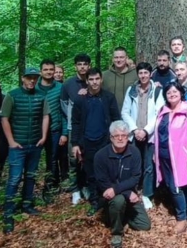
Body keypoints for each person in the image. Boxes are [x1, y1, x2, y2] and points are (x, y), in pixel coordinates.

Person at [0, 68, 50, 234]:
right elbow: (4, 118)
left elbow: (45, 116)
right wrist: (11, 141)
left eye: (35, 78)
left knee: (31, 175)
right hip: (18, 145)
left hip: (35, 143)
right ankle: (8, 214)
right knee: (14, 179)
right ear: (23, 78)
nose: (32, 81)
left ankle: (27, 204)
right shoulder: (12, 95)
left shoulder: (41, 95)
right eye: (29, 78)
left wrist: (43, 136)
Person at [71, 68, 122, 215]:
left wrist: (117, 139)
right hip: (87, 142)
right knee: (91, 174)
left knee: (108, 172)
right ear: (87, 81)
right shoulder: (80, 100)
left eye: (97, 79)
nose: (94, 82)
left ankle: (108, 199)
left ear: (101, 80)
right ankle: (95, 202)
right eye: (91, 79)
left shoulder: (108, 97)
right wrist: (75, 143)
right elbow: (75, 122)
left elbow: (116, 119)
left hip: (105, 141)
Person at [153, 82, 187, 234]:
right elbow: (158, 133)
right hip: (164, 155)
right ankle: (184, 210)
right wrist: (156, 153)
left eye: (175, 91)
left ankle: (182, 218)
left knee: (177, 185)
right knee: (172, 184)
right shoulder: (163, 110)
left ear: (181, 93)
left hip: (181, 155)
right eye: (168, 92)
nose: (172, 94)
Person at [93, 121, 152, 248]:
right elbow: (103, 184)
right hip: (109, 197)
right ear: (111, 137)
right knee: (118, 200)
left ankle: (119, 215)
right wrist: (125, 192)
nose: (120, 138)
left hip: (128, 194)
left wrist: (123, 191)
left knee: (144, 225)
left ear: (127, 137)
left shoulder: (134, 152)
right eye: (116, 135)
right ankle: (117, 233)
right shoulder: (101, 156)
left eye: (124, 135)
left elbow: (135, 178)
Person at [120, 62, 162, 209]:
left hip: (150, 135)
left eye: (146, 73)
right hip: (134, 134)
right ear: (137, 74)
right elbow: (125, 111)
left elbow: (159, 113)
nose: (143, 76)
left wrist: (145, 131)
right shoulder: (131, 90)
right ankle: (132, 190)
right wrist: (135, 130)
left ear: (150, 74)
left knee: (149, 165)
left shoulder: (157, 91)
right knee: (133, 164)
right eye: (140, 73)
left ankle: (147, 194)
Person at [62, 54, 92, 197]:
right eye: (79, 64)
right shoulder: (68, 84)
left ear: (89, 66)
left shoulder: (93, 81)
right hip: (73, 127)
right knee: (73, 158)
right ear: (75, 66)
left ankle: (85, 186)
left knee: (87, 157)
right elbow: (63, 105)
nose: (82, 67)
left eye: (85, 64)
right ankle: (75, 189)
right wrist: (72, 118)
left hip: (90, 126)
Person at [36, 59, 66, 203]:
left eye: (51, 69)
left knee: (52, 159)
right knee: (34, 160)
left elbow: (64, 112)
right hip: (36, 131)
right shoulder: (34, 88)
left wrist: (64, 132)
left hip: (55, 129)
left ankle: (50, 188)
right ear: (41, 71)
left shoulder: (60, 88)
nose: (48, 72)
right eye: (45, 69)